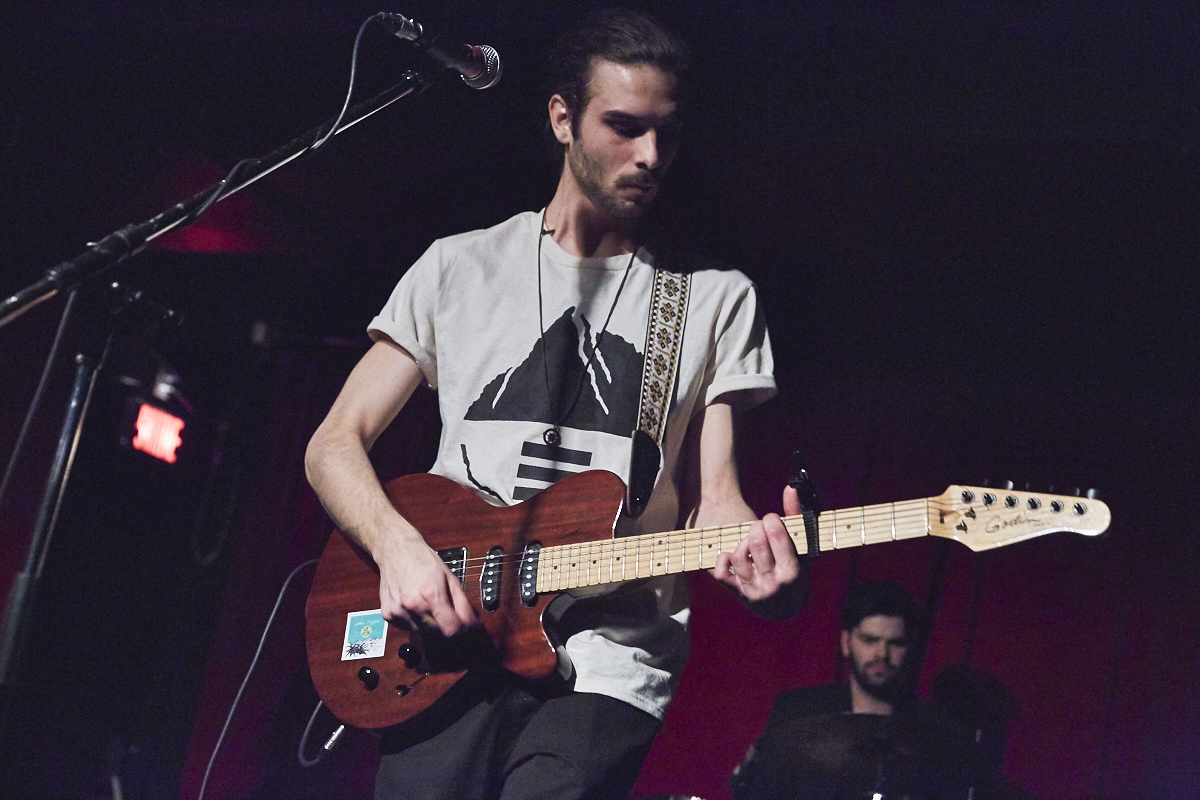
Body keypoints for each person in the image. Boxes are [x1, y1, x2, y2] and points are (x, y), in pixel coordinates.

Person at [304, 9, 808, 800]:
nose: (649, 156)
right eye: (624, 126)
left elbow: (717, 504)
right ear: (562, 118)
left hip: (609, 652)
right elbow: (334, 444)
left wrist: (768, 576)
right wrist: (398, 548)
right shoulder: (456, 267)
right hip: (452, 633)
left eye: (666, 135)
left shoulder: (711, 297)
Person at [729, 580, 934, 800]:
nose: (882, 653)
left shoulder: (931, 731)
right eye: (870, 640)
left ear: (910, 649)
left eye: (896, 643)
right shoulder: (797, 711)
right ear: (846, 642)